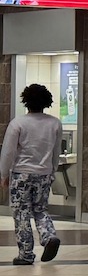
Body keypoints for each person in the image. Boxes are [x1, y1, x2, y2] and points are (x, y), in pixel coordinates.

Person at [1, 84, 63, 265]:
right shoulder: (55, 123)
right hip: (44, 173)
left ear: (25, 101)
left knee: (21, 213)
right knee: (40, 209)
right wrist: (53, 170)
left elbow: (8, 152)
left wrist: (4, 174)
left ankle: (26, 254)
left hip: (21, 174)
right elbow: (56, 150)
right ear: (46, 102)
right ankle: (49, 236)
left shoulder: (18, 123)